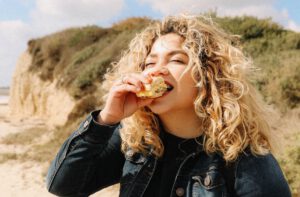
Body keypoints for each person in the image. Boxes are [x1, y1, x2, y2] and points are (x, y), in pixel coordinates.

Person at [46, 14, 291, 197]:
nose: (157, 70)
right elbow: (63, 186)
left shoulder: (244, 159)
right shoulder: (135, 142)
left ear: (207, 75)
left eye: (176, 59)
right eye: (149, 63)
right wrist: (106, 119)